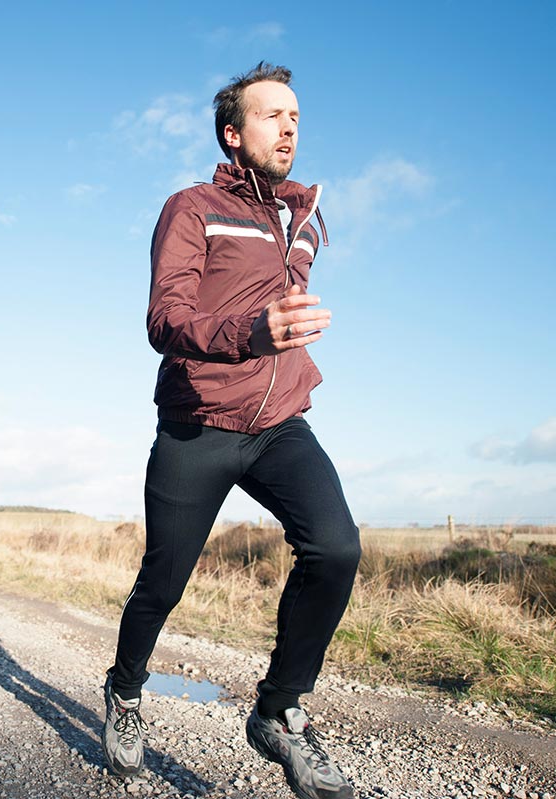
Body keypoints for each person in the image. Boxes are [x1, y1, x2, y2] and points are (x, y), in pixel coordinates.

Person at [101, 62, 361, 799]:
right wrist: (252, 329)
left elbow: (287, 304)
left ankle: (278, 712)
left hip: (280, 421)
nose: (289, 127)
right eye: (272, 115)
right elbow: (166, 318)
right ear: (233, 131)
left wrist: (283, 330)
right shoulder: (192, 207)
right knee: (164, 579)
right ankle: (124, 688)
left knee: (336, 547)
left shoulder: (302, 219)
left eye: (297, 117)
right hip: (199, 421)